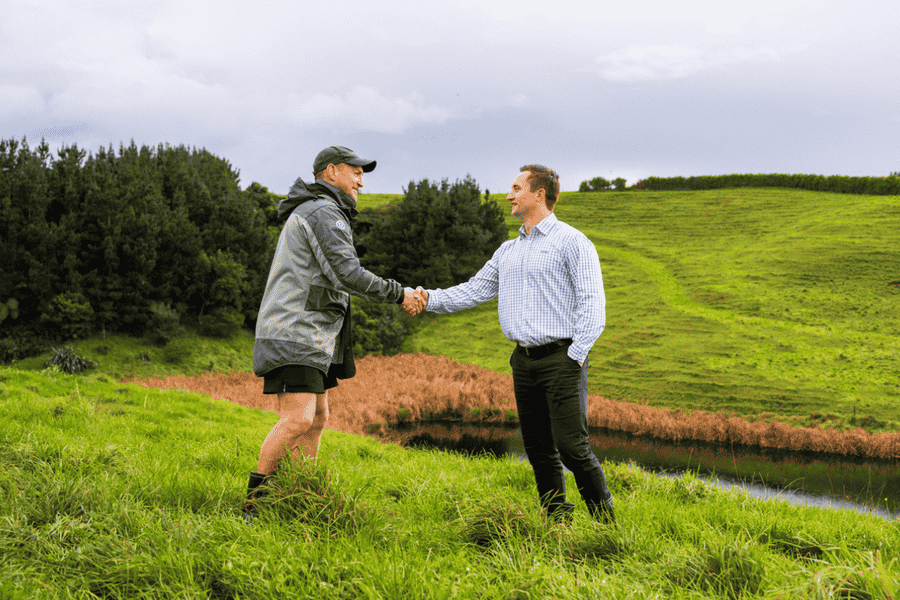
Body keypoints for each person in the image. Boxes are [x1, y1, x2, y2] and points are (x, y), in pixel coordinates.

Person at [412, 165, 615, 524]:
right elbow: (473, 291)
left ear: (539, 194)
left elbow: (593, 305)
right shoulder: (507, 251)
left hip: (562, 358)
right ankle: (557, 521)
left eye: (517, 187)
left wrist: (576, 356)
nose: (509, 195)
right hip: (523, 361)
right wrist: (426, 298)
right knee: (538, 448)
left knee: (572, 447)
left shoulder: (572, 242)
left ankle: (607, 525)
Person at [244, 145, 425, 519]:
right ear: (330, 172)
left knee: (318, 417)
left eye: (363, 173)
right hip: (296, 329)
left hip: (313, 332)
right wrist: (400, 293)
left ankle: (299, 494)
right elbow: (348, 274)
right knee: (298, 419)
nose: (361, 179)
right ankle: (253, 505)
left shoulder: (320, 209)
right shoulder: (325, 212)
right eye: (354, 171)